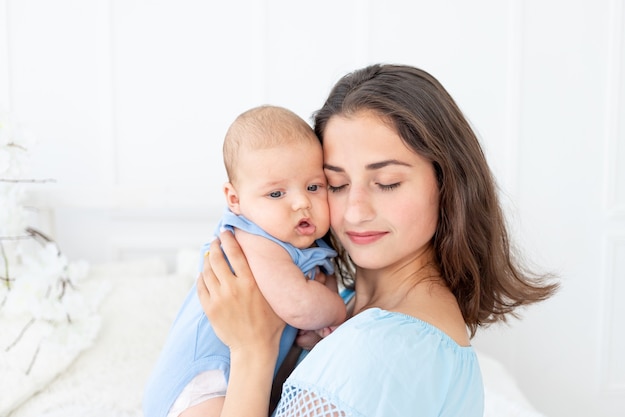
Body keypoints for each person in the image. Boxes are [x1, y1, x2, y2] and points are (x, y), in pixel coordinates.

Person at [196, 64, 559, 417]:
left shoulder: (380, 349)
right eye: (334, 185)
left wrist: (251, 351)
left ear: (448, 184)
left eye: (386, 182)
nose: (355, 211)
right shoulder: (349, 312)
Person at [143, 105, 347, 417]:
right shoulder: (253, 239)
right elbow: (298, 305)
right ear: (235, 199)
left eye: (313, 186)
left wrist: (314, 327)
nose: (301, 202)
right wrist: (337, 310)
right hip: (203, 378)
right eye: (276, 194)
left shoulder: (298, 242)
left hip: (238, 373)